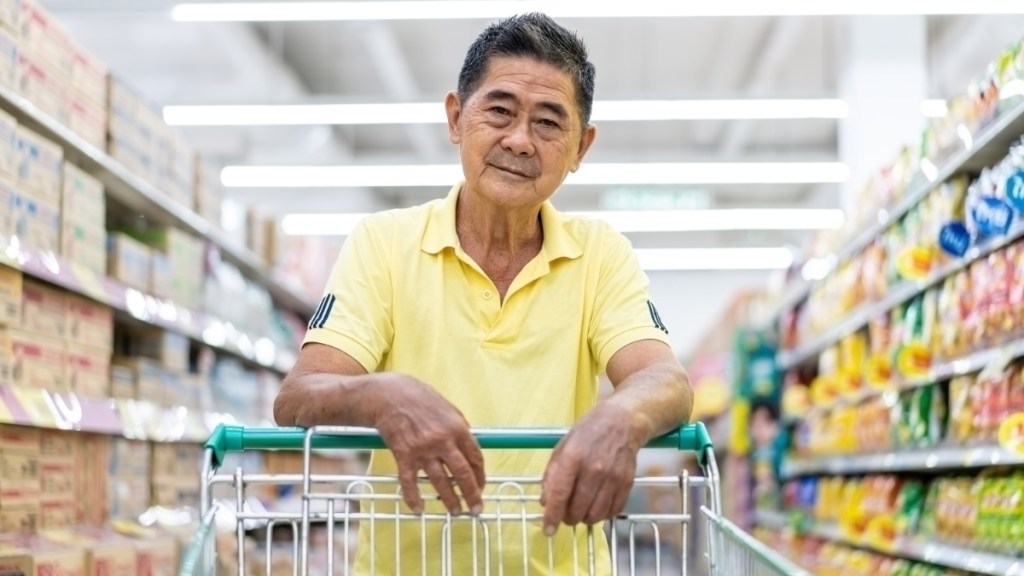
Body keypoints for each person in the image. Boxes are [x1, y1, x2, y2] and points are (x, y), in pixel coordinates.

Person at [274, 12, 693, 574]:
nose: (520, 141)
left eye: (549, 123)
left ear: (580, 149)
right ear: (455, 117)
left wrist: (620, 418)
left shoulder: (600, 253)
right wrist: (381, 395)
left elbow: (664, 379)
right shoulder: (384, 243)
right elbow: (298, 396)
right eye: (499, 110)